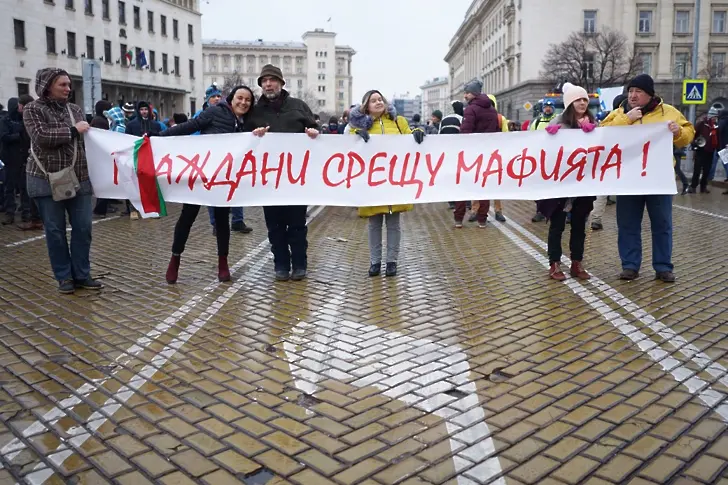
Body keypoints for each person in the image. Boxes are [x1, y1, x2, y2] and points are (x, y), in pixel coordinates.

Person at [601, 74, 694, 282]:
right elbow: (602, 135)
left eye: (638, 92)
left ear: (649, 94)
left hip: (658, 179)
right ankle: (630, 265)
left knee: (662, 224)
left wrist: (679, 132)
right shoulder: (620, 113)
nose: (633, 95)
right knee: (627, 224)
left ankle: (663, 267)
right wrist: (627, 119)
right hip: (628, 179)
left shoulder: (668, 112)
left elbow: (689, 133)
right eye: (631, 91)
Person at [161, 85, 257, 284]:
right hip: (201, 175)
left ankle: (223, 262)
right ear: (231, 99)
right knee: (187, 218)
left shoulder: (248, 121)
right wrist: (157, 137)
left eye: (248, 100)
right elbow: (189, 126)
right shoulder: (215, 112)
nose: (243, 102)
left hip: (224, 179)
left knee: (222, 221)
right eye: (240, 98)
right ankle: (175, 258)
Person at [24, 68, 102, 294]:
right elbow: (41, 136)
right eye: (63, 85)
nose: (68, 89)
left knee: (83, 228)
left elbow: (86, 138)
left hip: (79, 178)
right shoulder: (33, 109)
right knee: (55, 231)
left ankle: (82, 274)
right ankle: (64, 276)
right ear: (48, 86)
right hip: (46, 179)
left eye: (69, 84)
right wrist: (72, 131)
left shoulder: (74, 109)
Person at [247, 64, 319, 282]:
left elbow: (316, 131)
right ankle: (280, 264)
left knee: (297, 225)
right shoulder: (255, 112)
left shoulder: (298, 106)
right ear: (261, 85)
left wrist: (314, 132)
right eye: (264, 81)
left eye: (272, 80)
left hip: (296, 178)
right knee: (275, 226)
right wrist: (253, 135)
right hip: (268, 180)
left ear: (281, 82)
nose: (268, 84)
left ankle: (299, 264)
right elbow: (244, 141)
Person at [348, 90, 425, 277]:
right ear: (366, 106)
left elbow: (409, 136)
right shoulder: (357, 126)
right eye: (373, 100)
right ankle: (375, 262)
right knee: (374, 224)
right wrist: (356, 136)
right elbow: (347, 146)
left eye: (380, 99)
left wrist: (417, 133)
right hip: (372, 183)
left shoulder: (399, 122)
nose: (378, 102)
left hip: (394, 182)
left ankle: (392, 262)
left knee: (394, 224)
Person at [539, 83, 596, 281]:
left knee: (580, 225)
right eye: (577, 100)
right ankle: (554, 263)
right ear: (569, 103)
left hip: (583, 183)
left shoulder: (594, 124)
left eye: (584, 100)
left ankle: (576, 263)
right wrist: (550, 138)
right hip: (561, 184)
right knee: (557, 225)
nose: (581, 103)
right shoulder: (558, 124)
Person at [454, 80, 499, 228]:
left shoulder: (470, 109)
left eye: (466, 93)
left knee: (463, 186)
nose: (465, 96)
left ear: (473, 93)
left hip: (471, 155)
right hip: (487, 154)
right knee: (484, 187)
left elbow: (466, 133)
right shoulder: (492, 109)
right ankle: (482, 220)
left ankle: (459, 219)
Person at [1, 95, 41, 229]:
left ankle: (26, 213)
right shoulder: (5, 121)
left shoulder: (24, 120)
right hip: (10, 159)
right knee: (9, 187)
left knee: (25, 188)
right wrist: (18, 136)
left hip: (23, 158)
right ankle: (10, 213)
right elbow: (4, 136)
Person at [591, 93, 626, 230]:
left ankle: (596, 218)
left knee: (602, 192)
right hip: (620, 161)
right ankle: (624, 220)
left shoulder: (607, 119)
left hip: (606, 161)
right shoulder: (629, 120)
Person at [689, 110, 718, 194]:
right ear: (710, 117)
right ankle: (693, 186)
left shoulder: (715, 126)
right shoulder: (702, 124)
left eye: (716, 117)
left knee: (707, 170)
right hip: (701, 150)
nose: (715, 119)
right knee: (697, 169)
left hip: (710, 151)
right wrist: (695, 143)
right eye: (714, 117)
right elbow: (693, 134)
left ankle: (703, 186)